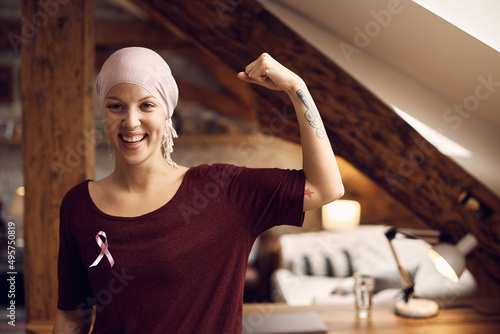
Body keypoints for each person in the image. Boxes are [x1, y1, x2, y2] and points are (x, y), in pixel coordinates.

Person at [53, 47, 344, 334]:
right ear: (102, 112)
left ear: (167, 111)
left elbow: (325, 187)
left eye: (146, 105)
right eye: (115, 105)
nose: (130, 121)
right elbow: (72, 318)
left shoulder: (223, 190)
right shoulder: (79, 205)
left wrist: (296, 87)